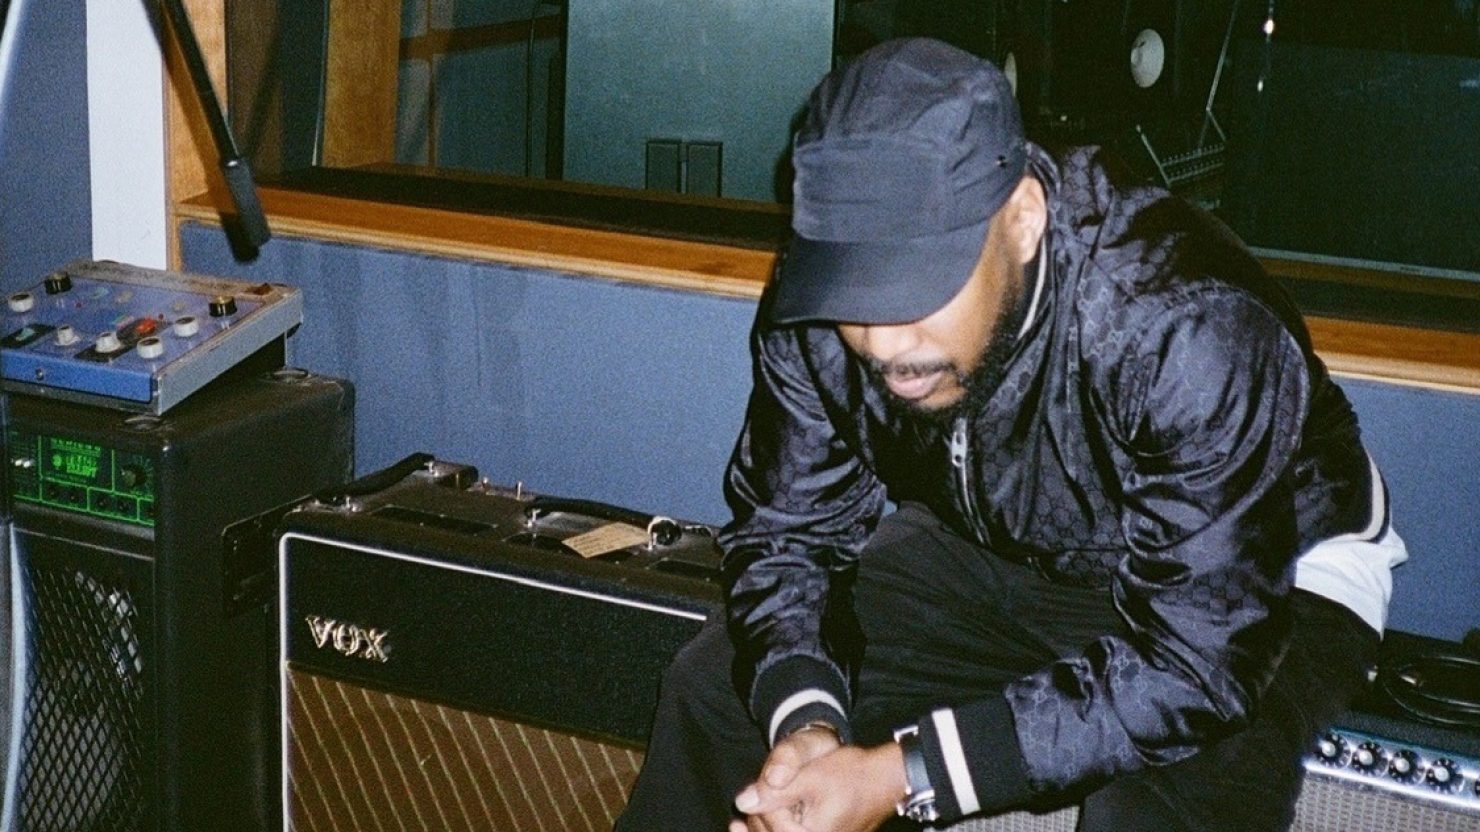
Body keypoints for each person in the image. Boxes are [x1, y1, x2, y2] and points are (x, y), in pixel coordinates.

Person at [615, 37, 1407, 832]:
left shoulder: (1182, 325)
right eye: (855, 287)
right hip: (1009, 539)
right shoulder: (819, 314)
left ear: (1023, 219)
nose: (883, 344)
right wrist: (807, 725)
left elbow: (1198, 660)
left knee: (1148, 810)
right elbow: (789, 534)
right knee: (720, 693)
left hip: (1263, 567)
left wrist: (904, 776)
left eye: (920, 285)